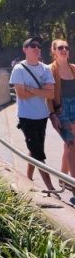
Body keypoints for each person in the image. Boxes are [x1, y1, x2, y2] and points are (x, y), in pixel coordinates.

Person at [10, 36, 60, 194]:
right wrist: (41, 91)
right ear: (25, 49)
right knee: (38, 152)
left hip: (42, 116)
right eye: (32, 46)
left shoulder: (45, 69)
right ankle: (50, 188)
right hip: (26, 117)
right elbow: (21, 94)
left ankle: (28, 179)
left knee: (35, 148)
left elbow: (51, 94)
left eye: (38, 46)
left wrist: (30, 89)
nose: (37, 48)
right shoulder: (19, 69)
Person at [48, 39, 75, 192]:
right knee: (71, 144)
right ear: (54, 51)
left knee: (69, 145)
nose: (64, 50)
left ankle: (62, 177)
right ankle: (73, 183)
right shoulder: (51, 70)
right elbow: (48, 96)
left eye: (66, 47)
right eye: (60, 48)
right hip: (61, 109)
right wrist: (53, 114)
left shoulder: (73, 68)